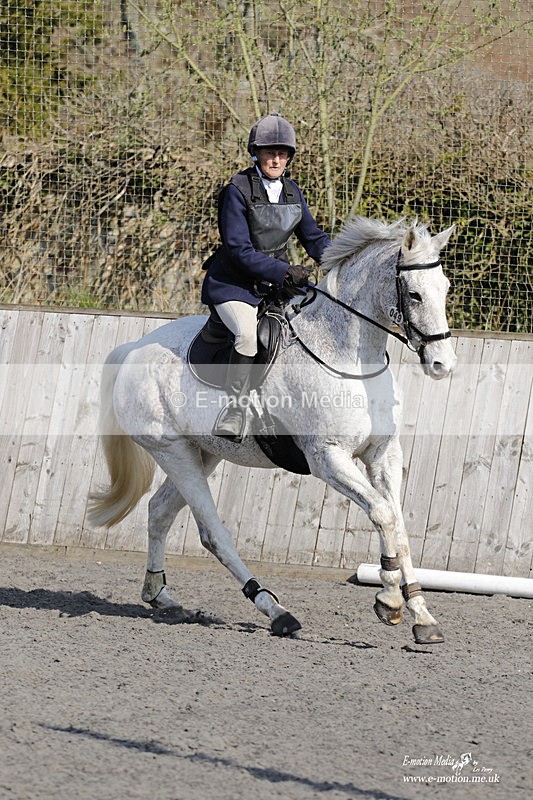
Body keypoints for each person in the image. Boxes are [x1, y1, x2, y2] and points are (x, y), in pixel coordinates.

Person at [201, 112, 331, 440]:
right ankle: (235, 408)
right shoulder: (237, 189)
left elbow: (312, 237)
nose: (276, 158)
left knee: (318, 312)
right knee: (246, 334)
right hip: (234, 284)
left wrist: (341, 259)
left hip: (276, 282)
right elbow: (239, 250)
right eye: (270, 152)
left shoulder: (292, 191)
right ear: (256, 153)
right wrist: (286, 271)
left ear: (289, 157)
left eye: (282, 153)